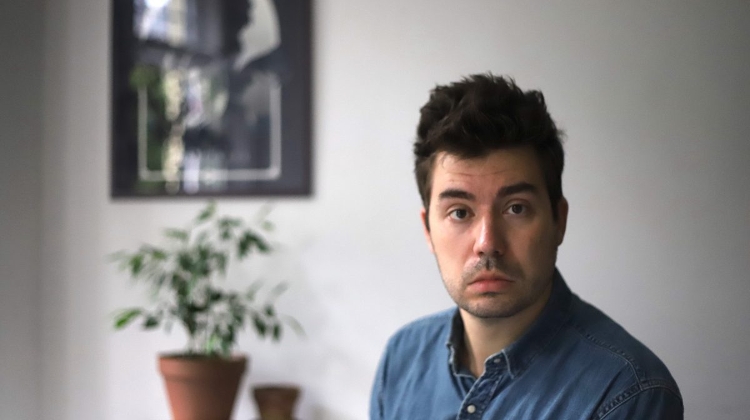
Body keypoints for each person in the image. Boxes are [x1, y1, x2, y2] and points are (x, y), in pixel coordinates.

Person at [369, 74, 683, 419]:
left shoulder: (628, 393)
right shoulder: (401, 359)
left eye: (516, 208)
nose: (487, 243)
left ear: (558, 221)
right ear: (428, 229)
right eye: (459, 212)